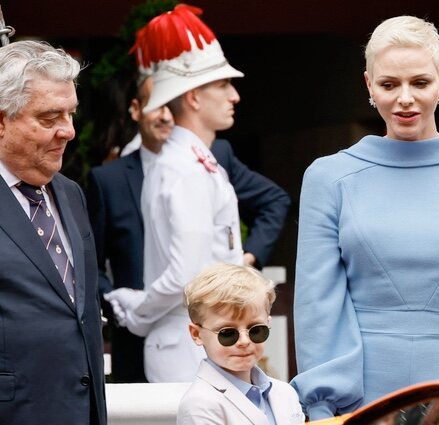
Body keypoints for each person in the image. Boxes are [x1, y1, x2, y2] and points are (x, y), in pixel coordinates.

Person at [292, 15, 439, 420]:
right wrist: (324, 405)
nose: (405, 99)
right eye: (389, 84)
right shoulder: (328, 177)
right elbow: (318, 301)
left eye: (419, 82)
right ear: (368, 86)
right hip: (360, 397)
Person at [87, 74, 290, 382]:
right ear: (136, 109)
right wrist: (118, 302)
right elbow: (93, 257)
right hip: (137, 334)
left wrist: (245, 262)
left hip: (201, 329)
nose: (166, 115)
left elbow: (273, 200)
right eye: (159, 104)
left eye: (171, 104)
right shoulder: (109, 178)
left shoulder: (212, 158)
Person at [104, 4, 246, 382]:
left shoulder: (193, 160)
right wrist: (138, 310)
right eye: (222, 85)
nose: (234, 95)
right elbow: (187, 276)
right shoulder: (183, 166)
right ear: (194, 98)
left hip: (199, 338)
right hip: (188, 344)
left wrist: (139, 308)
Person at [0, 40, 106, 424]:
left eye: (71, 114)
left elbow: (81, 314)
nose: (69, 131)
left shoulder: (70, 194)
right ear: (1, 121)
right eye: (49, 118)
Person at [178, 263, 304, 425]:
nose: (244, 341)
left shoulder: (286, 393)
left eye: (256, 330)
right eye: (228, 333)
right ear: (196, 334)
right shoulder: (199, 405)